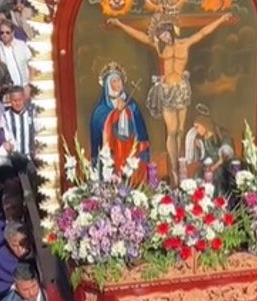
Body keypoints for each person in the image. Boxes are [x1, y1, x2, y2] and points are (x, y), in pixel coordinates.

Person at [107, 14, 233, 184]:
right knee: (171, 130)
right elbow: (141, 36)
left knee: (181, 130)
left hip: (181, 89)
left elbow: (203, 32)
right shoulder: (160, 48)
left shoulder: (184, 43)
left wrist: (221, 19)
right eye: (160, 37)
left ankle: (180, 163)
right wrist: (120, 23)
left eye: (165, 34)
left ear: (171, 31)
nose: (164, 38)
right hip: (167, 91)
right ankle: (173, 168)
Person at [88, 61, 150, 177]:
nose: (118, 83)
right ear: (108, 85)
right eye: (114, 81)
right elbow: (99, 131)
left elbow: (140, 130)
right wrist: (115, 112)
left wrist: (126, 110)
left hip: (129, 150)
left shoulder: (131, 104)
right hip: (113, 152)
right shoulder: (100, 111)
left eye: (119, 80)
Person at [0, 222, 34, 301]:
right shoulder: (2, 256)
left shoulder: (35, 250)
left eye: (23, 243)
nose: (19, 249)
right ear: (8, 244)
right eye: (14, 246)